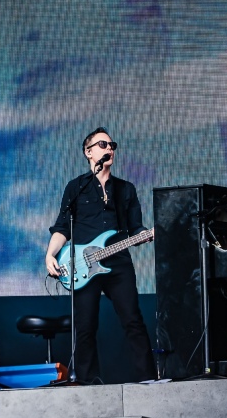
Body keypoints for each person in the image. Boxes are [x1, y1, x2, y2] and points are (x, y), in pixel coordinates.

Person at [45, 127, 156, 384]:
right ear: (88, 152)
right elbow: (62, 227)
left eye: (112, 145)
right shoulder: (77, 187)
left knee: (133, 320)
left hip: (118, 262)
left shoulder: (125, 189)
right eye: (103, 144)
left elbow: (135, 227)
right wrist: (50, 255)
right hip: (82, 265)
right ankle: (87, 382)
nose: (110, 149)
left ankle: (149, 379)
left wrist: (146, 234)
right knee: (85, 327)